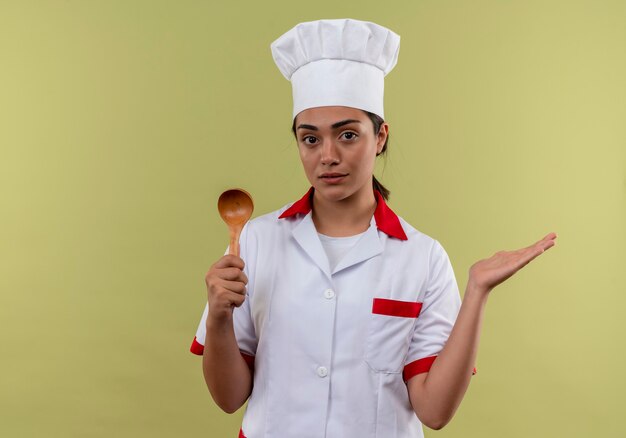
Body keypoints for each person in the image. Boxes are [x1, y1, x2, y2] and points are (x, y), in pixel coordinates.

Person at [190, 18, 557, 438]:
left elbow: (434, 412)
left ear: (380, 137)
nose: (328, 156)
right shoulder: (254, 240)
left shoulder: (422, 257)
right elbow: (228, 398)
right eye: (310, 139)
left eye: (347, 135)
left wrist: (477, 290)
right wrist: (219, 316)